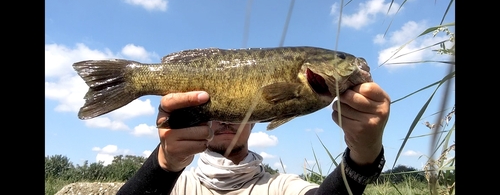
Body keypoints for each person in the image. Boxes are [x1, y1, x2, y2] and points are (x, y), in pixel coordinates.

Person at [117, 82, 390, 195]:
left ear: (259, 116)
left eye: (238, 109)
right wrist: (165, 164)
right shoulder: (173, 186)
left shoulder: (281, 187)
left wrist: (364, 155)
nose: (226, 120)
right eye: (216, 108)